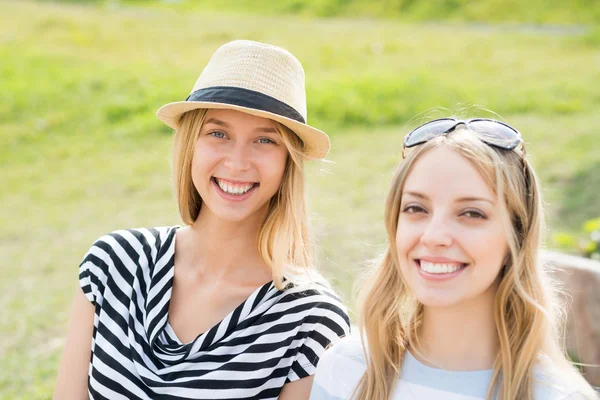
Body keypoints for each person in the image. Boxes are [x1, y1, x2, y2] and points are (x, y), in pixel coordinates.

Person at [54, 40, 350, 400]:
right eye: (218, 134)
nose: (238, 163)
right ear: (190, 144)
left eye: (265, 140)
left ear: (288, 163)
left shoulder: (311, 320)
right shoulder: (113, 263)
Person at [310, 118, 598, 399]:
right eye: (415, 208)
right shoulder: (346, 368)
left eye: (471, 213)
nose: (434, 236)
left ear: (517, 238)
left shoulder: (558, 394)